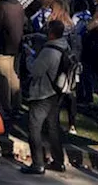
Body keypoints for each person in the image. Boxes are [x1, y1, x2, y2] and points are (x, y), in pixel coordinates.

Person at [22, 19, 70, 175]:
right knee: (53, 128)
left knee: (34, 128)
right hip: (57, 92)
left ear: (50, 33)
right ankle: (58, 161)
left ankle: (38, 163)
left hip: (42, 93)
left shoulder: (48, 51)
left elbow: (35, 71)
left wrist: (29, 56)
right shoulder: (64, 45)